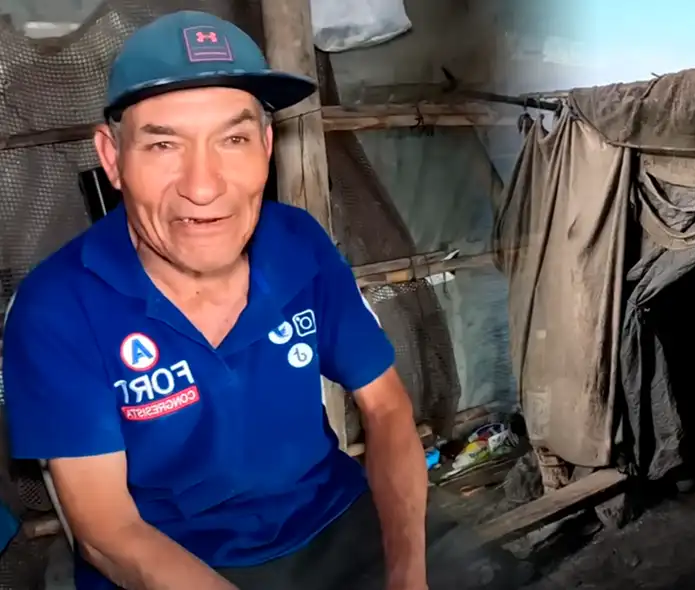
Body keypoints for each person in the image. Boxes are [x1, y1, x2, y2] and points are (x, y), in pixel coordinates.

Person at [2, 10, 524, 590]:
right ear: (112, 157)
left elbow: (387, 408)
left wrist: (406, 576)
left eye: (233, 139)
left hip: (333, 524)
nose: (203, 186)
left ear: (266, 146)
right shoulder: (56, 307)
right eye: (163, 144)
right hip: (174, 561)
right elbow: (108, 531)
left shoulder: (298, 243)